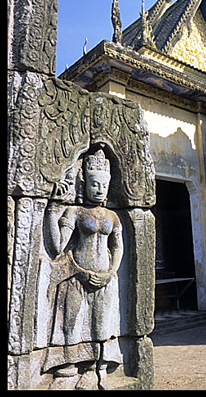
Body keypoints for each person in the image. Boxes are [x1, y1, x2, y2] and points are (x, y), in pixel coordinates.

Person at [43, 149, 124, 390]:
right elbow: (58, 247)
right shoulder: (75, 212)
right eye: (94, 184)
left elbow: (117, 247)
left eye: (104, 185)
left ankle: (94, 368)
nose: (100, 189)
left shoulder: (112, 216)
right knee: (70, 323)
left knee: (100, 324)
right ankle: (68, 367)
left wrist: (110, 272)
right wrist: (51, 210)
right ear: (84, 183)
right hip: (76, 275)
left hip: (104, 279)